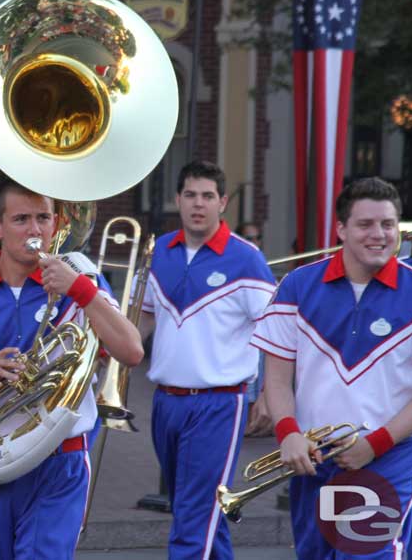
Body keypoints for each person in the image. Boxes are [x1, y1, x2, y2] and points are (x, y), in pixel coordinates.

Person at [0, 179, 144, 560]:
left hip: (60, 460)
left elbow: (132, 350)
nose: (35, 230)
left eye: (43, 218)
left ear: (56, 223)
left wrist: (81, 290)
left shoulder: (80, 280)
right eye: (21, 219)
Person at [253, 177, 412, 559]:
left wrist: (373, 446)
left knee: (366, 554)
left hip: (389, 459)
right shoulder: (297, 285)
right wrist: (288, 433)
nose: (379, 235)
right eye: (365, 224)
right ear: (341, 229)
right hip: (314, 461)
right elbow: (276, 379)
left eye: (388, 225)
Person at [137, 161, 276, 560]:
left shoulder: (246, 259)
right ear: (178, 200)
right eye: (191, 195)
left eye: (208, 196)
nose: (199, 204)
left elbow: (276, 333)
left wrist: (268, 394)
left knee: (193, 521)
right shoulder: (158, 251)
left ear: (223, 203)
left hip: (218, 403)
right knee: (196, 512)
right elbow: (143, 317)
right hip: (164, 401)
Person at [235, 221, 273, 438]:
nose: (254, 243)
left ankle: (255, 419)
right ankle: (247, 421)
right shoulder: (239, 262)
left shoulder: (258, 263)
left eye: (257, 238)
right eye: (249, 238)